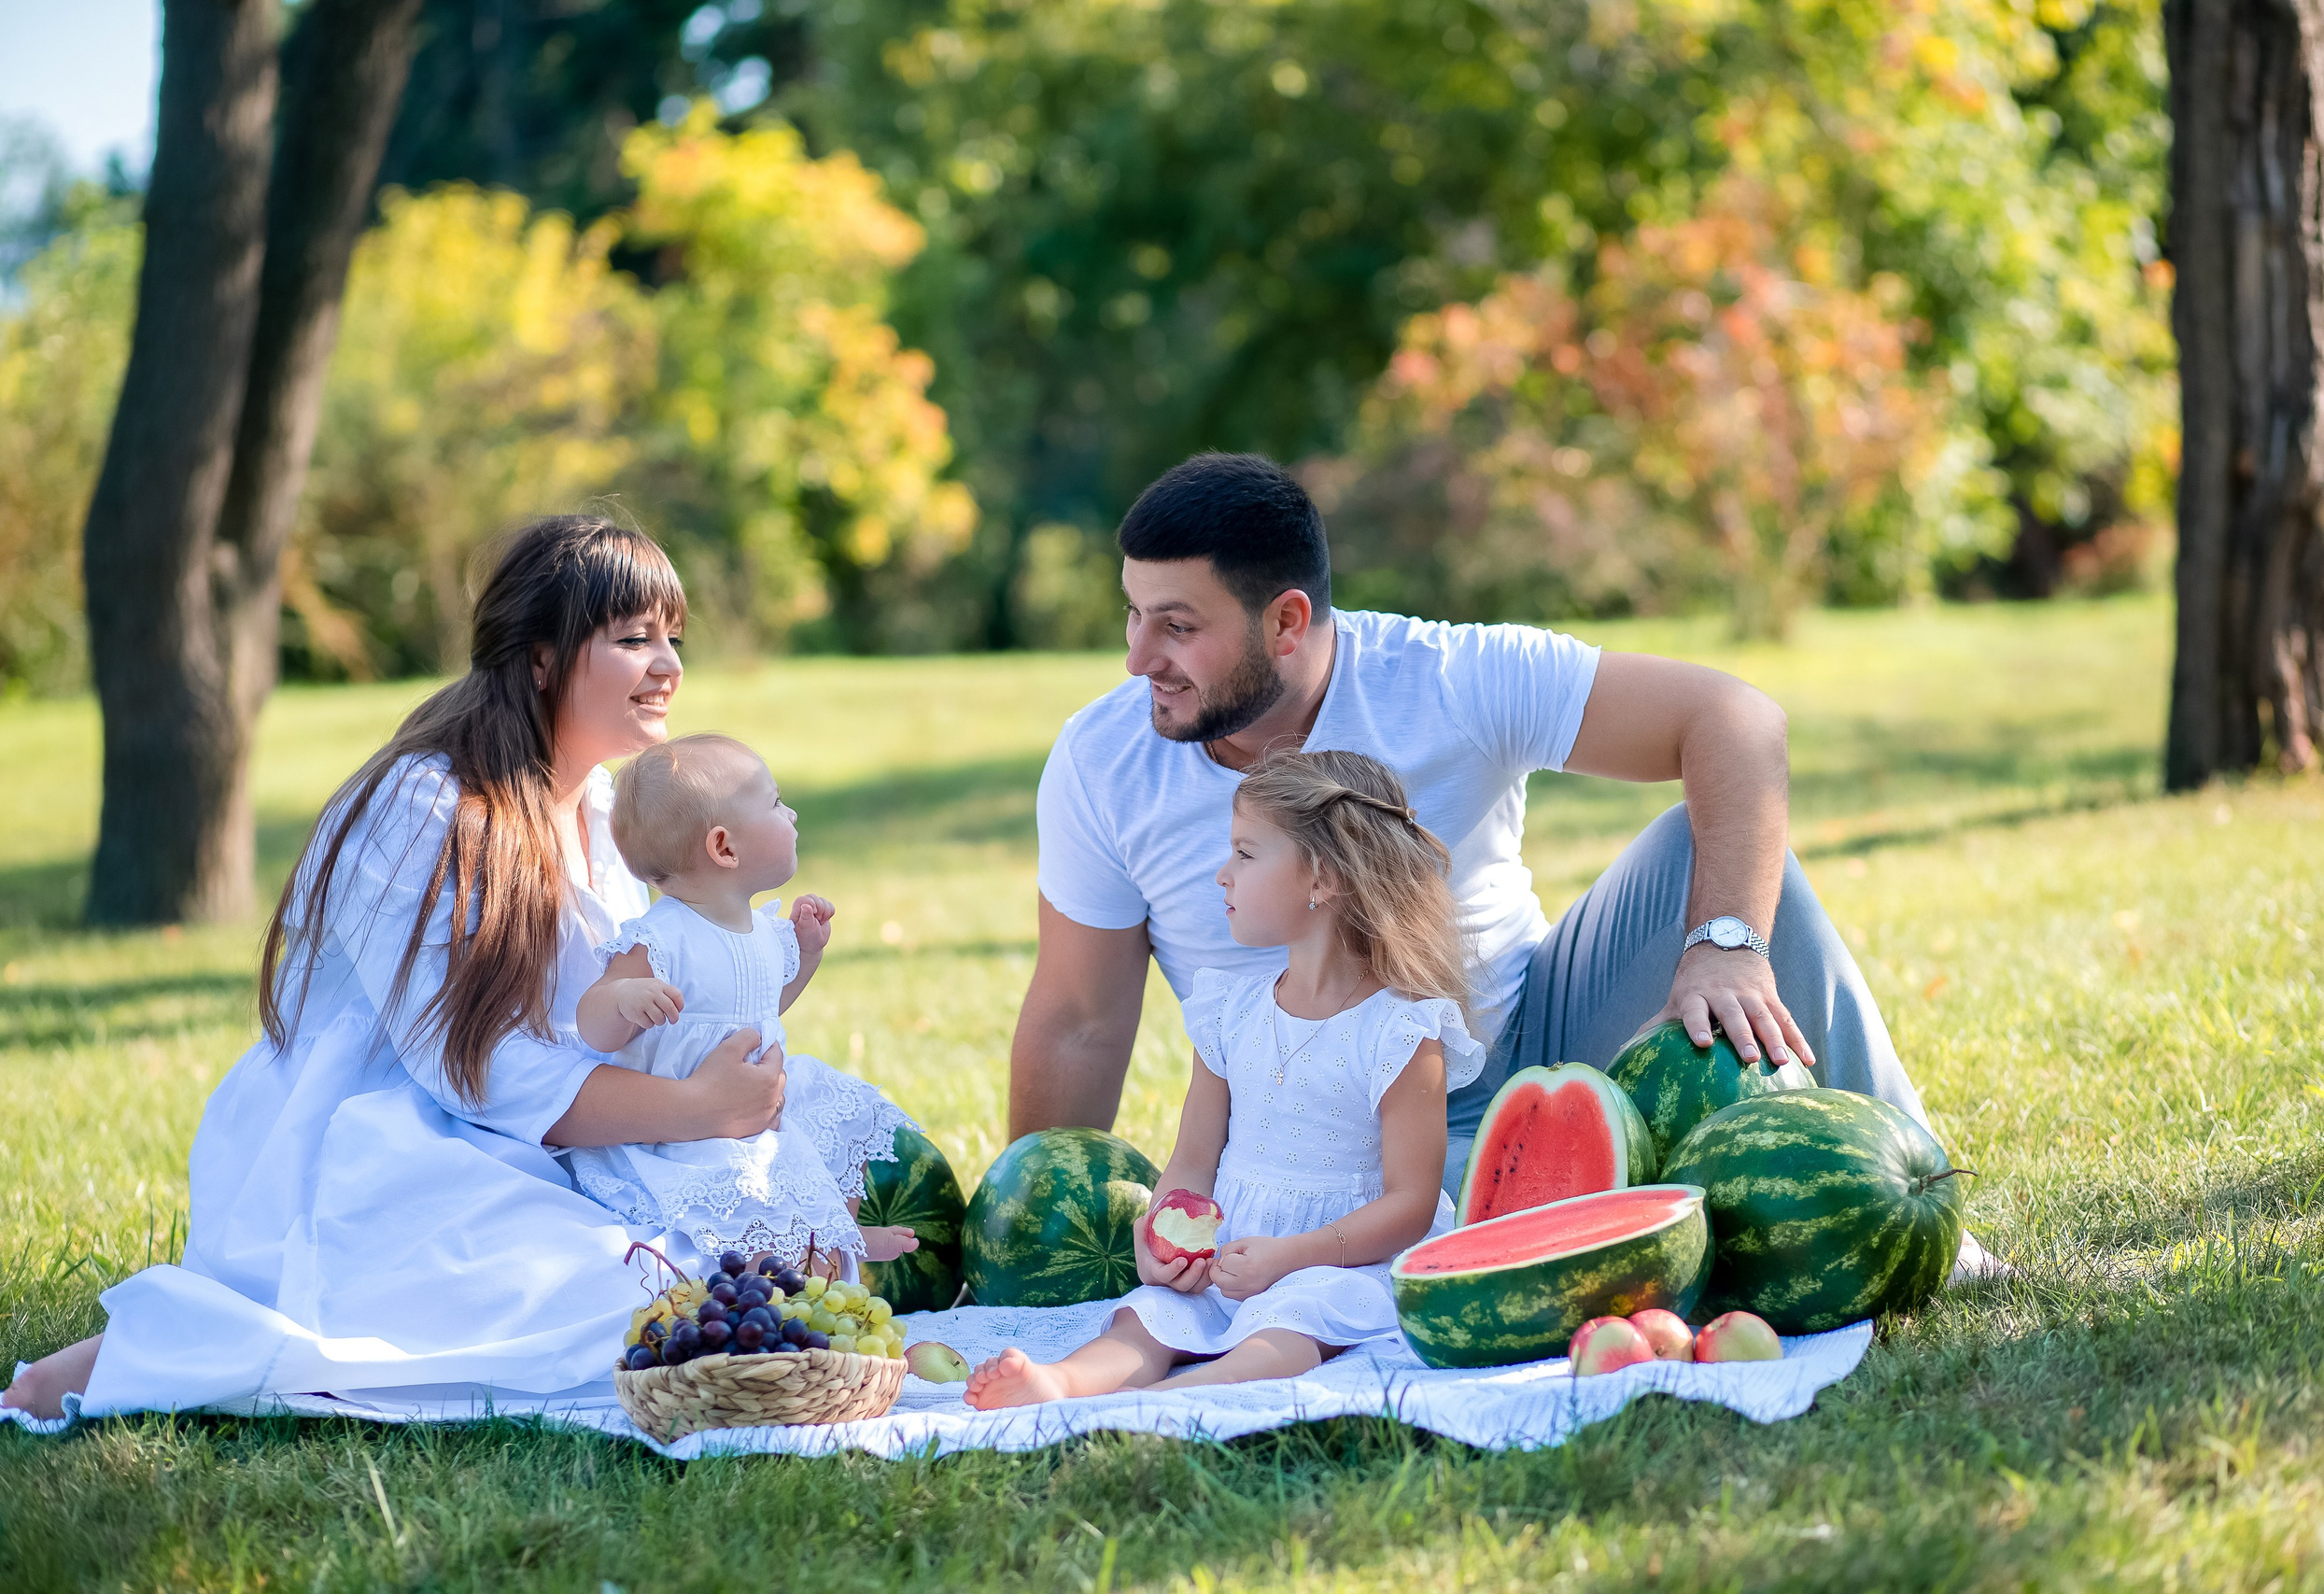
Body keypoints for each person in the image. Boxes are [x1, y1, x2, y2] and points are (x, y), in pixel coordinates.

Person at [1012, 452, 2006, 1278]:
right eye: (1134, 615)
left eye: (1178, 626)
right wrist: (1015, 1249)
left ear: (1286, 621)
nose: (1138, 657)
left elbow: (1735, 721)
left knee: (1702, 850)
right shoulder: (1102, 764)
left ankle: (1917, 1208)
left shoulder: (1445, 678)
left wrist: (1726, 946)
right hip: (1319, 1142)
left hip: (1537, 1040)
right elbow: (1078, 1022)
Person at [5, 517, 791, 1421]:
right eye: (633, 639)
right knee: (629, 1305)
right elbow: (476, 1069)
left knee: (736, 1263)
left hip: (546, 1135)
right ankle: (133, 1356)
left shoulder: (606, 814)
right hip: (386, 1150)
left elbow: (609, 1015)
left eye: (671, 638)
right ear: (541, 658)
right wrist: (694, 1110)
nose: (668, 666)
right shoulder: (422, 806)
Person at [966, 751, 1476, 1407]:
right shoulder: (1229, 1012)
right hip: (1231, 1253)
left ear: (1323, 877)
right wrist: (1162, 1236)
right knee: (1148, 1317)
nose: (1222, 873)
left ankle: (1186, 1394)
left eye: (1245, 853)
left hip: (1343, 1261)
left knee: (1291, 1325)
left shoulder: (1402, 1031)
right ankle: (1060, 1382)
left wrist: (1292, 1256)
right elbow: (1192, 1161)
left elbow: (1410, 1202)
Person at [569, 732, 918, 1270]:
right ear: (724, 848)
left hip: (759, 1102)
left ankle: (837, 1227)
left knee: (841, 1111)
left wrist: (807, 955)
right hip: (690, 1133)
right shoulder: (662, 938)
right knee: (746, 1200)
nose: (792, 814)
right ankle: (794, 1267)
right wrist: (622, 999)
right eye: (776, 803)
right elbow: (592, 1024)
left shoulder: (760, 930)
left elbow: (763, 1010)